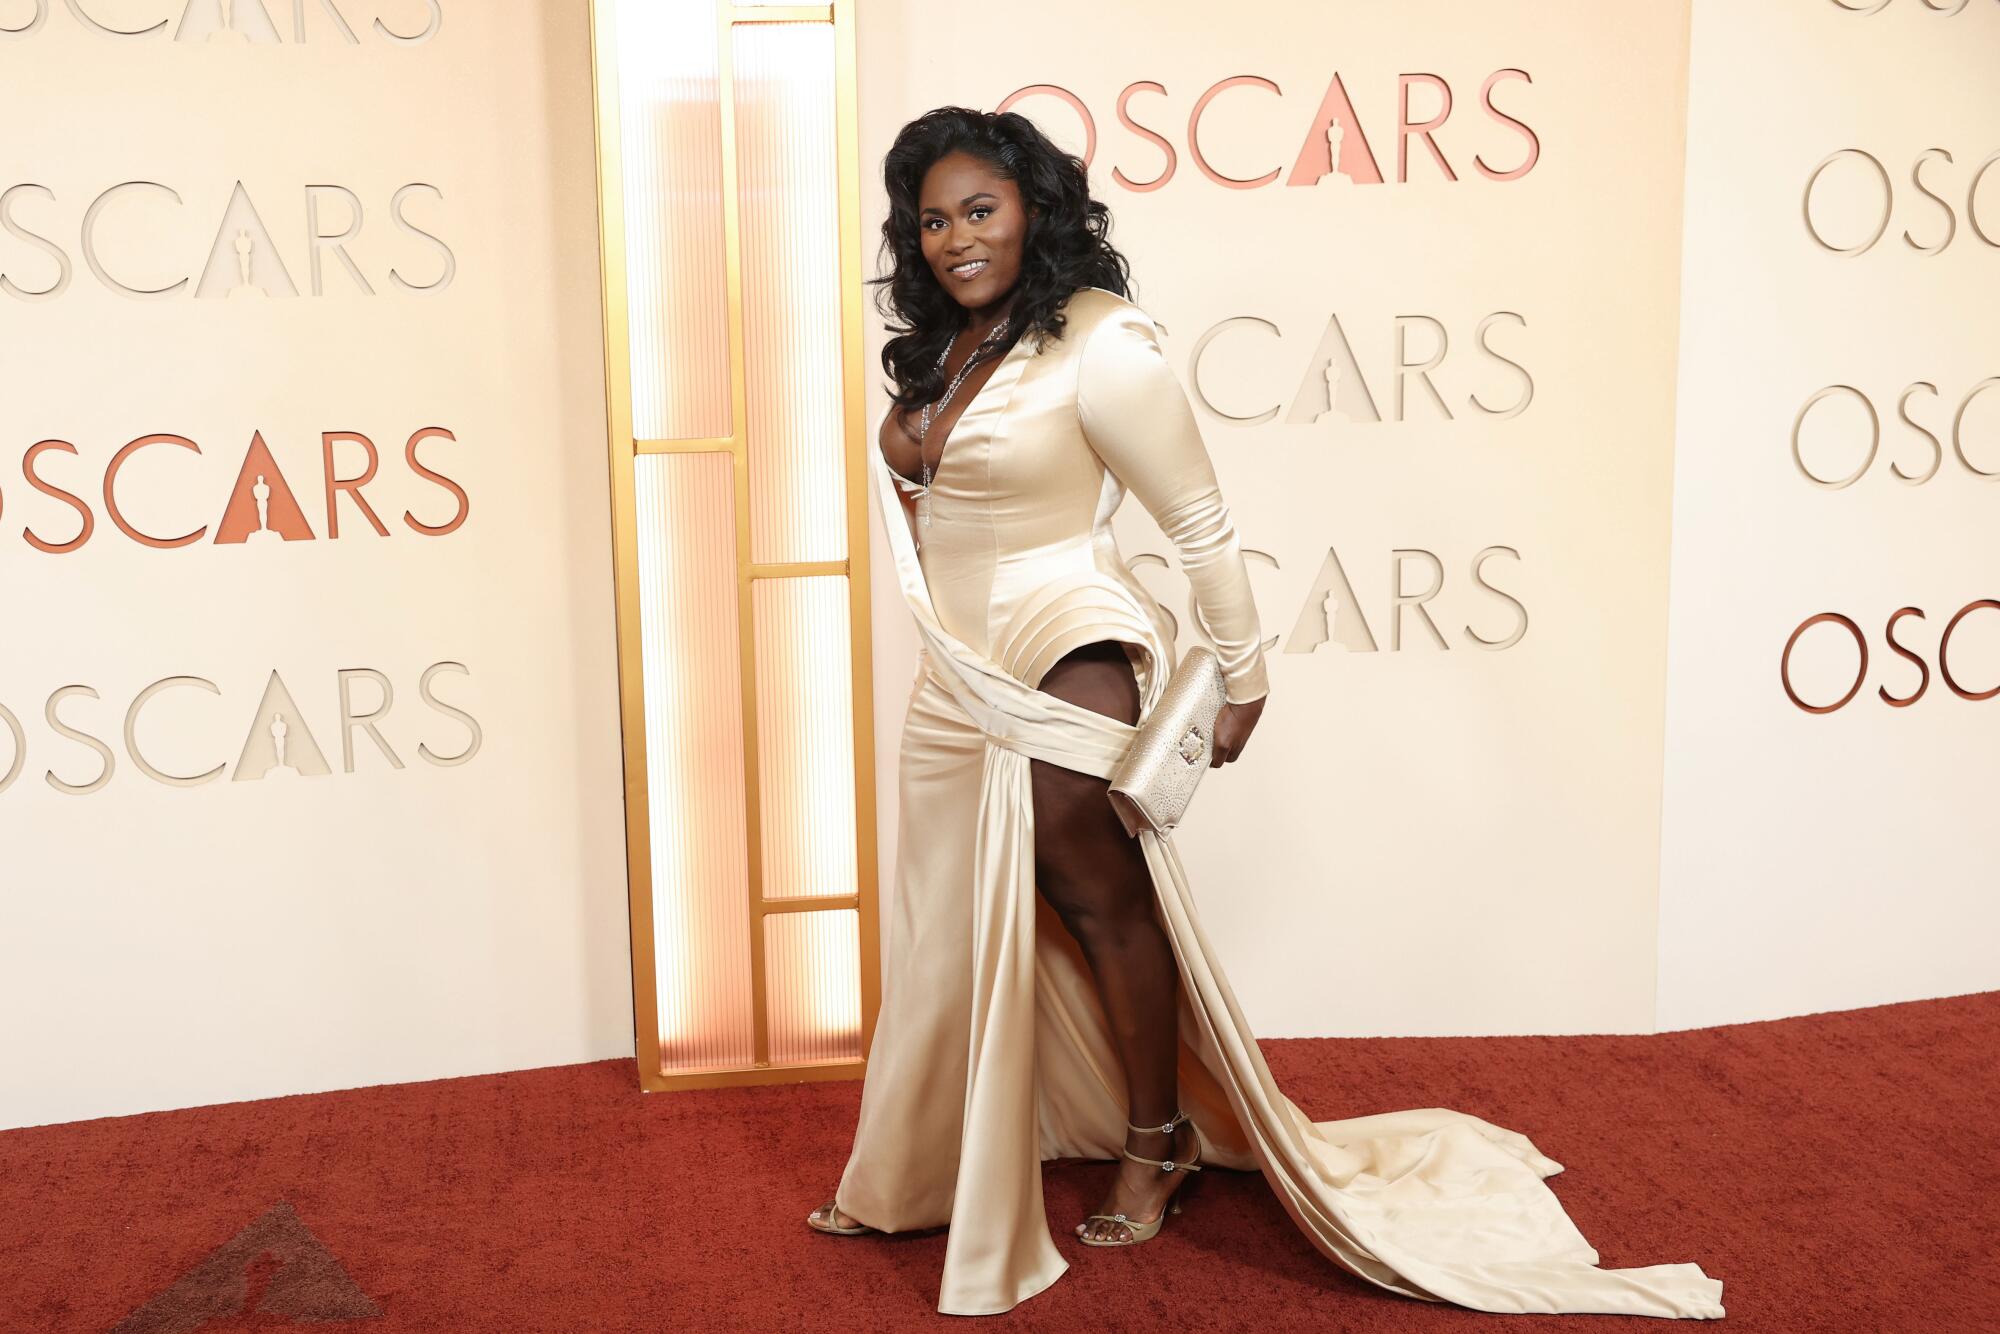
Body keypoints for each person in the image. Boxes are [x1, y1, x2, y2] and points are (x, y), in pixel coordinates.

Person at [806, 106, 1725, 1322]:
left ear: (1034, 207)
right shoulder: (942, 351)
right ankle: (923, 1159)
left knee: (1097, 895)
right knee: (949, 919)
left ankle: (1155, 1139)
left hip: (1064, 637)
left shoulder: (1100, 339)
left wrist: (1241, 677)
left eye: (979, 208)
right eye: (931, 217)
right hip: (954, 674)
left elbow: (1195, 522)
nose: (953, 237)